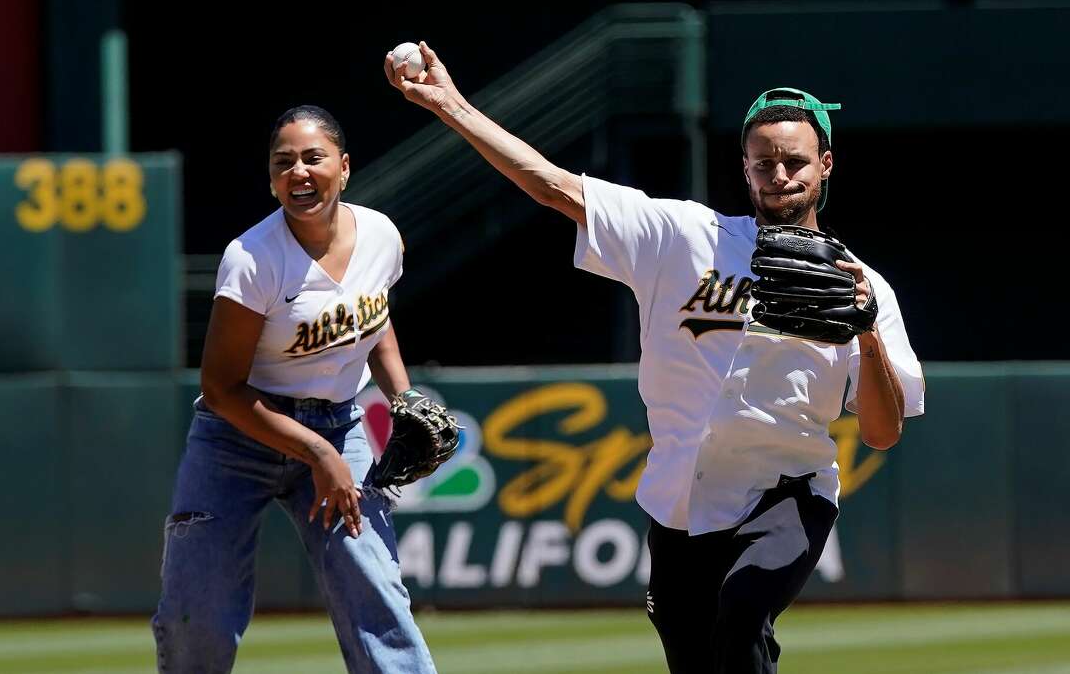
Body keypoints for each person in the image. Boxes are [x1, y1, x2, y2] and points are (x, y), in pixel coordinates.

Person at [385, 44, 923, 673]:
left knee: (743, 608)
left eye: (796, 162)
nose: (781, 175)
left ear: (825, 165)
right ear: (745, 170)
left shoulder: (862, 285)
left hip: (788, 492)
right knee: (704, 655)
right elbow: (552, 186)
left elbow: (882, 434)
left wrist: (866, 334)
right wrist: (451, 106)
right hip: (680, 500)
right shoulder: (682, 236)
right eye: (765, 162)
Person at [151, 105, 438, 674]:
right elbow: (222, 387)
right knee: (197, 617)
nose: (299, 172)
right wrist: (317, 452)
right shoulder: (253, 259)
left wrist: (403, 399)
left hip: (338, 422)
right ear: (271, 178)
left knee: (376, 592)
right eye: (284, 163)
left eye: (314, 158)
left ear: (345, 167)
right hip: (238, 440)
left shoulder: (381, 235)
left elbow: (374, 321)